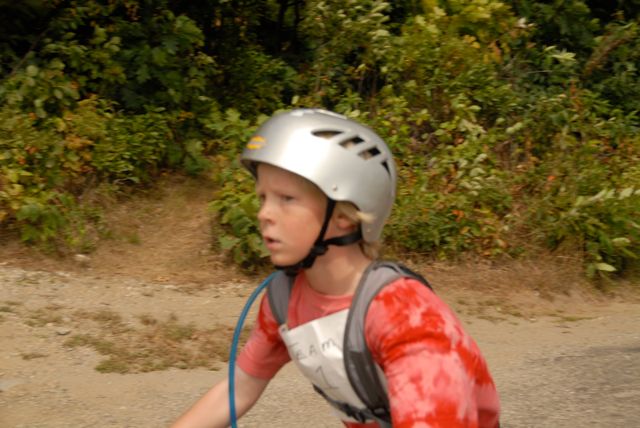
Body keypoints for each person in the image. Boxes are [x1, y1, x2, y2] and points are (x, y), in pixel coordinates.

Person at [171, 108, 500, 428]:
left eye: (286, 199)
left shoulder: (406, 315)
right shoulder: (283, 300)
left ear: (344, 215)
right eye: (263, 198)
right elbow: (236, 391)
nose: (264, 214)